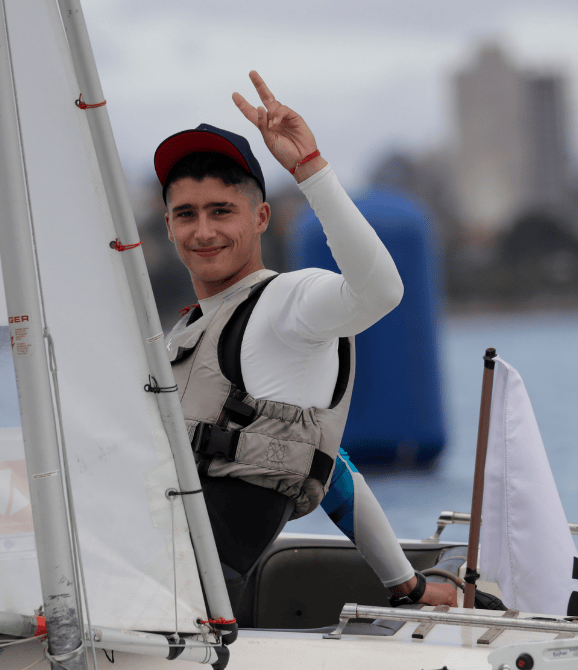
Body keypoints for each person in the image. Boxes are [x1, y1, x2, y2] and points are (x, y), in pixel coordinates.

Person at [155, 71, 457, 609]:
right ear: (170, 225)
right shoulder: (185, 332)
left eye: (221, 211)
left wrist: (309, 169)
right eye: (187, 215)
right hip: (130, 565)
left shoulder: (288, 303)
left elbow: (380, 291)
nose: (203, 231)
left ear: (261, 217)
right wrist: (405, 584)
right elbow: (325, 464)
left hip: (179, 598)